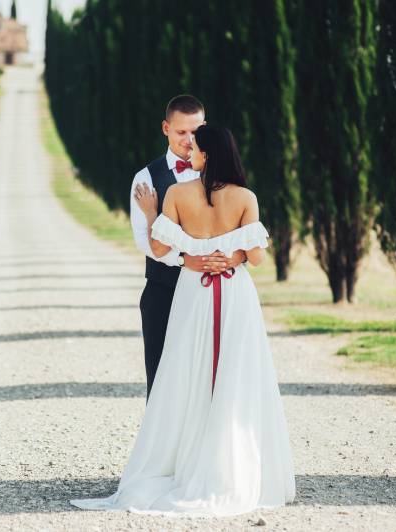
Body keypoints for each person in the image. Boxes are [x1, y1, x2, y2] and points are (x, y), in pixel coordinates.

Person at [71, 124, 295, 517]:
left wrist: (152, 214)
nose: (189, 151)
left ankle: (184, 459)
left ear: (207, 154)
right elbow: (258, 257)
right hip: (234, 293)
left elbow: (159, 248)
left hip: (194, 292)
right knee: (235, 372)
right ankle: (231, 465)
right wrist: (232, 255)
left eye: (195, 147)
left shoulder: (176, 194)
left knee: (189, 369)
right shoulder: (246, 197)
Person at [129, 95, 246, 400]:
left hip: (211, 293)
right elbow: (143, 240)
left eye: (195, 132)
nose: (189, 140)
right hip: (164, 289)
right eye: (181, 132)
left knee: (210, 376)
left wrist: (232, 258)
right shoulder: (147, 177)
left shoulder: (225, 177)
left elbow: (243, 229)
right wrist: (183, 260)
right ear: (166, 128)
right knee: (161, 376)